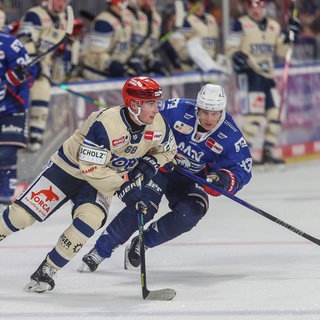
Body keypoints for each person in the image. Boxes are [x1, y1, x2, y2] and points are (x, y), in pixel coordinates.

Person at [0, 76, 177, 293]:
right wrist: (123, 187)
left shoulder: (157, 124)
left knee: (90, 220)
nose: (156, 109)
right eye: (151, 103)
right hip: (67, 170)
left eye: (156, 103)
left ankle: (47, 270)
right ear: (134, 104)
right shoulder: (107, 123)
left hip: (102, 180)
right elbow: (91, 168)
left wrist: (151, 162)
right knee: (21, 216)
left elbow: (168, 150)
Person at [78, 83, 253, 273]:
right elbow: (145, 120)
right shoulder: (177, 109)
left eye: (214, 113)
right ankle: (100, 251)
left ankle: (143, 242)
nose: (208, 118)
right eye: (204, 112)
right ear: (197, 108)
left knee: (192, 212)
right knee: (143, 207)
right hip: (159, 169)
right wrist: (157, 152)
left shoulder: (231, 135)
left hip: (190, 179)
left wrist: (224, 180)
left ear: (222, 111)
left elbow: (242, 168)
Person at [225, 0, 301, 165]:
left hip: (268, 76)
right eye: (252, 6)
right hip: (251, 74)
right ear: (247, 8)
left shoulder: (273, 26)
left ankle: (268, 151)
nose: (256, 10)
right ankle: (241, 155)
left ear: (265, 7)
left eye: (259, 6)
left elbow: (282, 51)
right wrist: (236, 56)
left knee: (274, 114)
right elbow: (231, 47)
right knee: (254, 117)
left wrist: (290, 35)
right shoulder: (241, 24)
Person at [17, 0, 70, 152]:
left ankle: (36, 135)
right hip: (26, 64)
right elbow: (24, 39)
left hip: (45, 67)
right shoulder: (35, 15)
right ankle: (25, 133)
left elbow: (59, 47)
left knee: (44, 90)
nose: (62, 4)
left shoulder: (62, 20)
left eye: (65, 1)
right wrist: (34, 61)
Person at [0, 30, 36, 210]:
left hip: (12, 106)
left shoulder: (9, 43)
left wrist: (18, 76)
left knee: (6, 152)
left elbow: (31, 71)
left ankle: (5, 195)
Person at [81, 0, 133, 80]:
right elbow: (96, 53)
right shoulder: (104, 22)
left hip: (117, 72)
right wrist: (110, 64)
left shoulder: (124, 17)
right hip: (98, 75)